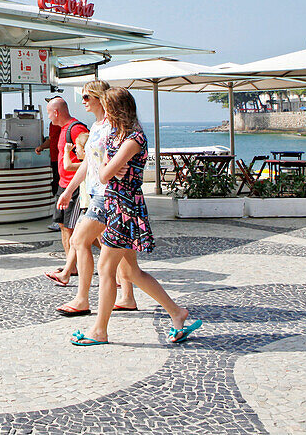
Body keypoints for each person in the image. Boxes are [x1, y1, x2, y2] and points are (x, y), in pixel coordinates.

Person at [69, 87, 202, 346]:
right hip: (116, 203)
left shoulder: (133, 139)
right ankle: (177, 312)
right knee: (131, 272)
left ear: (116, 109)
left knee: (107, 269)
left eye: (107, 107)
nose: (104, 112)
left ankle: (99, 331)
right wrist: (112, 167)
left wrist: (111, 167)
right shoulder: (120, 137)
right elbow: (105, 167)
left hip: (124, 208)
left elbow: (105, 173)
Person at [51, 81, 136, 312]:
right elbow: (88, 163)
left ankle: (82, 299)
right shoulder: (96, 126)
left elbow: (120, 155)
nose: (83, 101)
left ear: (100, 98)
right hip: (98, 192)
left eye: (87, 97)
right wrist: (69, 191)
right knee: (122, 252)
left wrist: (117, 166)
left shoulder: (112, 126)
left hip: (108, 193)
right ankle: (127, 297)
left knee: (80, 240)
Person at [44, 97, 90, 279]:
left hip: (73, 187)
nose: (49, 117)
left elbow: (88, 160)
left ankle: (114, 262)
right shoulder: (63, 129)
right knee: (64, 226)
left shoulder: (75, 128)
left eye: (49, 112)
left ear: (56, 112)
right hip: (63, 185)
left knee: (77, 230)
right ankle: (70, 266)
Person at [35, 113, 63, 232]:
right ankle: (59, 218)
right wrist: (42, 147)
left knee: (59, 189)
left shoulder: (61, 124)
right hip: (54, 159)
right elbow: (51, 140)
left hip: (60, 160)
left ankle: (60, 220)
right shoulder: (53, 124)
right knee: (56, 187)